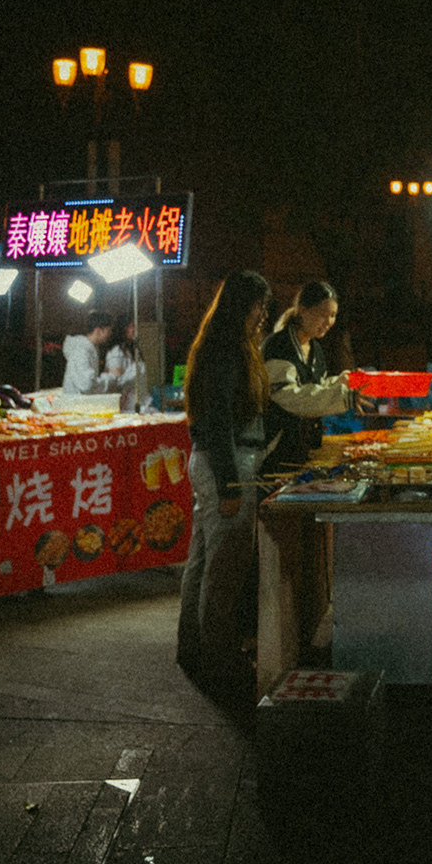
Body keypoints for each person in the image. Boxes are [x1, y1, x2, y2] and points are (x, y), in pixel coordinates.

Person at [176, 271, 273, 715]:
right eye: (259, 307)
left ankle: (194, 650)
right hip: (226, 463)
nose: (262, 316)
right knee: (224, 566)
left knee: (203, 559)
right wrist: (232, 483)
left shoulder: (216, 347)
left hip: (214, 462)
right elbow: (217, 423)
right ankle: (218, 661)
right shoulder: (224, 352)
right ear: (242, 306)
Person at [260, 281, 363, 473]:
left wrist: (341, 381)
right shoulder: (279, 345)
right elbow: (289, 396)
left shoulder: (314, 348)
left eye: (332, 316)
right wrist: (342, 396)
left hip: (303, 448)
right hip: (276, 450)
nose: (328, 322)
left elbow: (315, 385)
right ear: (302, 310)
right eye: (323, 315)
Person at [61, 311, 139, 397]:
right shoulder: (81, 350)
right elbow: (87, 385)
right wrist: (111, 376)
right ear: (98, 330)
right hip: (77, 404)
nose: (110, 334)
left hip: (83, 403)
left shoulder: (92, 349)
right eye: (108, 330)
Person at [102, 319, 148, 411]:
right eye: (131, 326)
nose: (135, 329)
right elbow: (116, 378)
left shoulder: (132, 350)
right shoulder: (116, 352)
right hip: (124, 402)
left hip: (137, 398)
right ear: (123, 329)